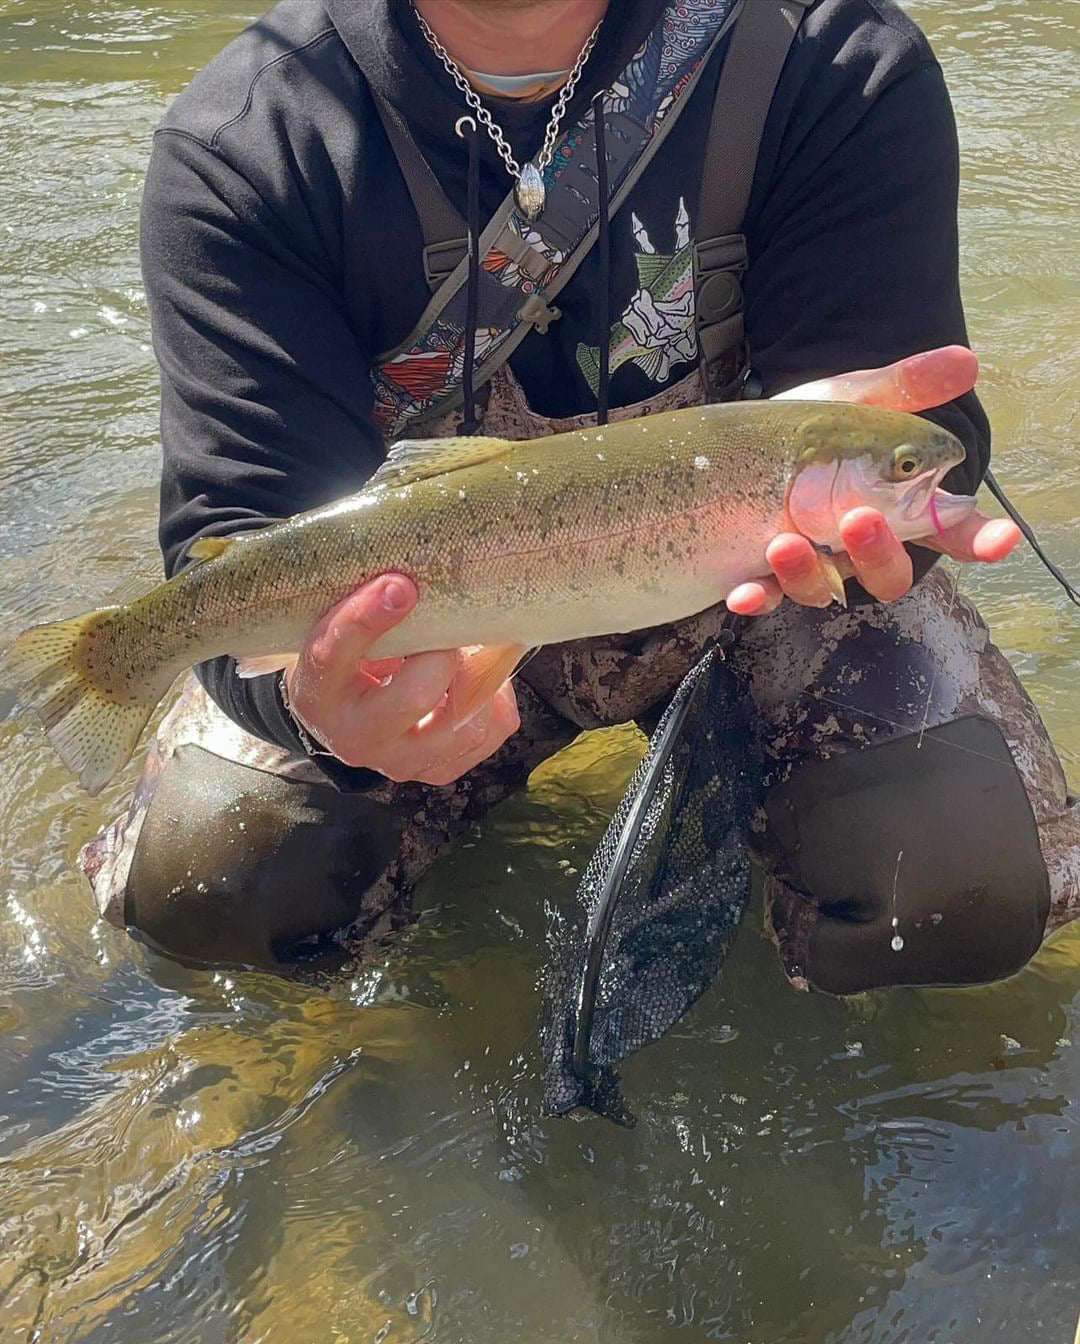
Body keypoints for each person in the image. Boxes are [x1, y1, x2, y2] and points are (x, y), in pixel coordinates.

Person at [80, 0, 1079, 985]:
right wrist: (312, 707)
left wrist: (894, 533)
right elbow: (239, 531)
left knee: (960, 879)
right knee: (214, 880)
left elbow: (921, 442)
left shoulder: (825, 60)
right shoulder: (249, 141)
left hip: (750, 592)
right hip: (440, 610)